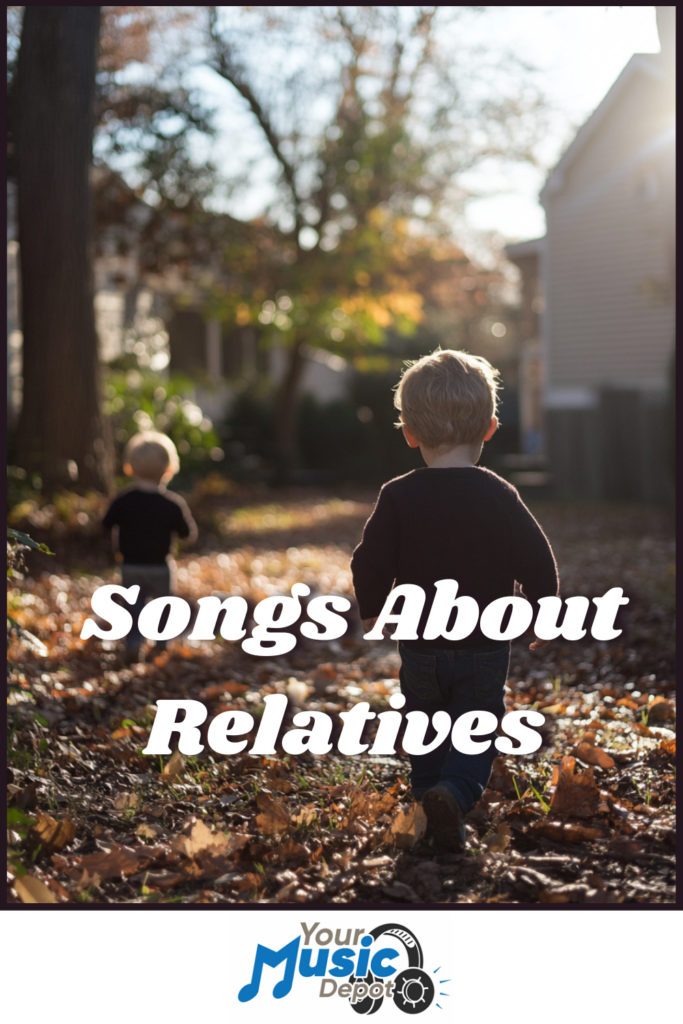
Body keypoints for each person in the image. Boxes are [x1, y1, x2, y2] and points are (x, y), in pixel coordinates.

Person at [350, 349, 558, 852]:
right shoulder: (499, 494)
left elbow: (369, 560)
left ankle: (427, 802)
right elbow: (536, 559)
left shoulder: (397, 495)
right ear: (489, 428)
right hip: (485, 644)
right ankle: (454, 792)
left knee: (424, 720)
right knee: (475, 724)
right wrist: (543, 612)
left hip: (421, 644)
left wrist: (375, 608)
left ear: (410, 432)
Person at [103, 431, 197, 663]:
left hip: (131, 564)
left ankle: (134, 643)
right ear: (169, 469)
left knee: (134, 607)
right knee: (163, 606)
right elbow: (188, 533)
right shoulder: (172, 504)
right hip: (160, 566)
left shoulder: (123, 500)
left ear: (129, 468)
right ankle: (160, 644)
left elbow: (105, 525)